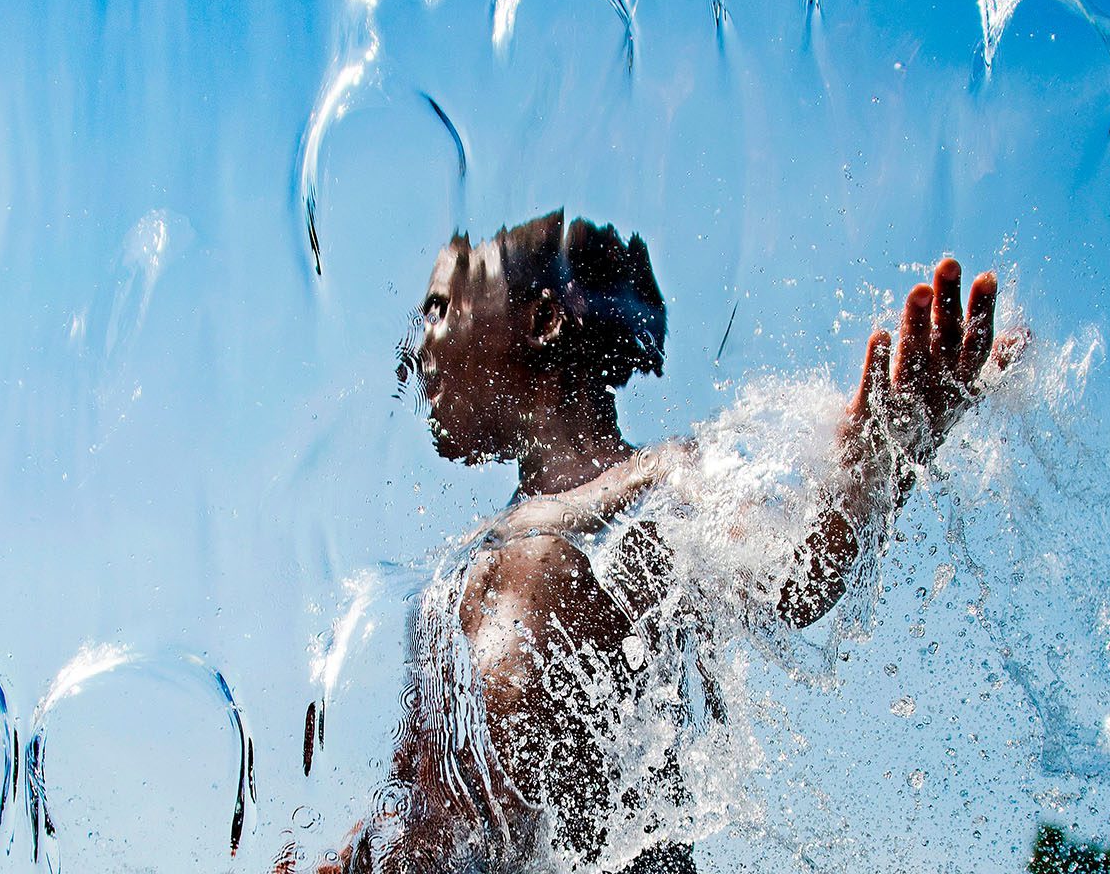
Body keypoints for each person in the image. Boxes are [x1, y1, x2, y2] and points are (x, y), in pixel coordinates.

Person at [306, 210, 1018, 874]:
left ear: (543, 319)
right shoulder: (449, 580)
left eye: (438, 308)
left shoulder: (659, 484)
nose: (416, 343)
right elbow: (422, 790)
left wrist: (878, 462)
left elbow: (796, 576)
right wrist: (356, 853)